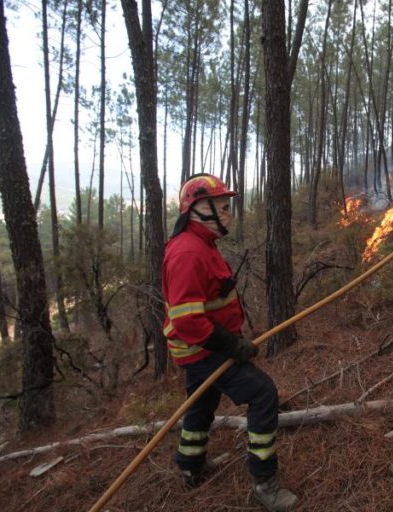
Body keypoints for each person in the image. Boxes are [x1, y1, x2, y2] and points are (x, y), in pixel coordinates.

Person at [162, 174, 298, 511]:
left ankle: (191, 466)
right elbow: (188, 321)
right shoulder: (188, 253)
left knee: (202, 402)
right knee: (263, 393)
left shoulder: (202, 245)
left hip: (203, 345)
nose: (228, 213)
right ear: (198, 209)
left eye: (227, 206)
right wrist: (233, 346)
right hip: (200, 348)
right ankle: (265, 482)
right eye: (222, 207)